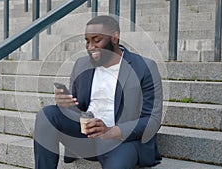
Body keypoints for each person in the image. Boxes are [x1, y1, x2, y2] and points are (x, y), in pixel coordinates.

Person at [34, 15, 163, 169]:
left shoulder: (145, 67)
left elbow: (152, 120)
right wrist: (65, 104)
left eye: (96, 40)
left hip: (120, 140)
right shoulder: (82, 64)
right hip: (86, 136)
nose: (90, 47)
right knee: (47, 115)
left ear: (115, 38)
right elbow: (77, 109)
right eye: (87, 41)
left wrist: (112, 131)